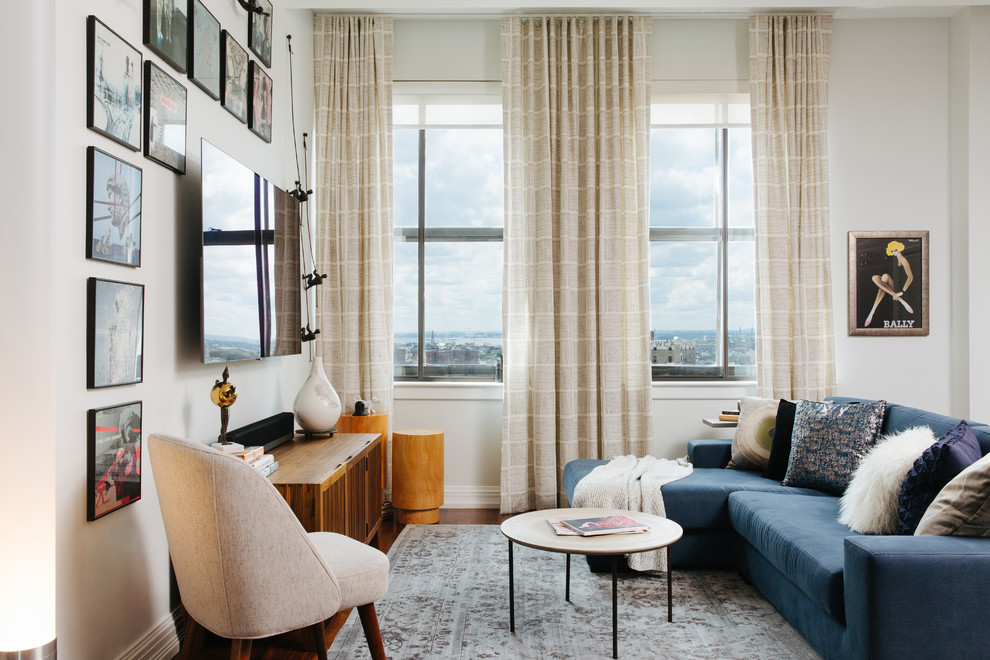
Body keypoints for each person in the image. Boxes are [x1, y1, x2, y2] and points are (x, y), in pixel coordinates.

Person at [864, 240, 914, 327]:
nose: (894, 252)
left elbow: (910, 277)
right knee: (879, 277)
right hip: (891, 287)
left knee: (885, 277)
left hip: (898, 288)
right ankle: (902, 301)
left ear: (899, 249)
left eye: (895, 250)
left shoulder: (903, 259)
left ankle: (872, 311)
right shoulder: (895, 258)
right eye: (892, 251)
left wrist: (902, 291)